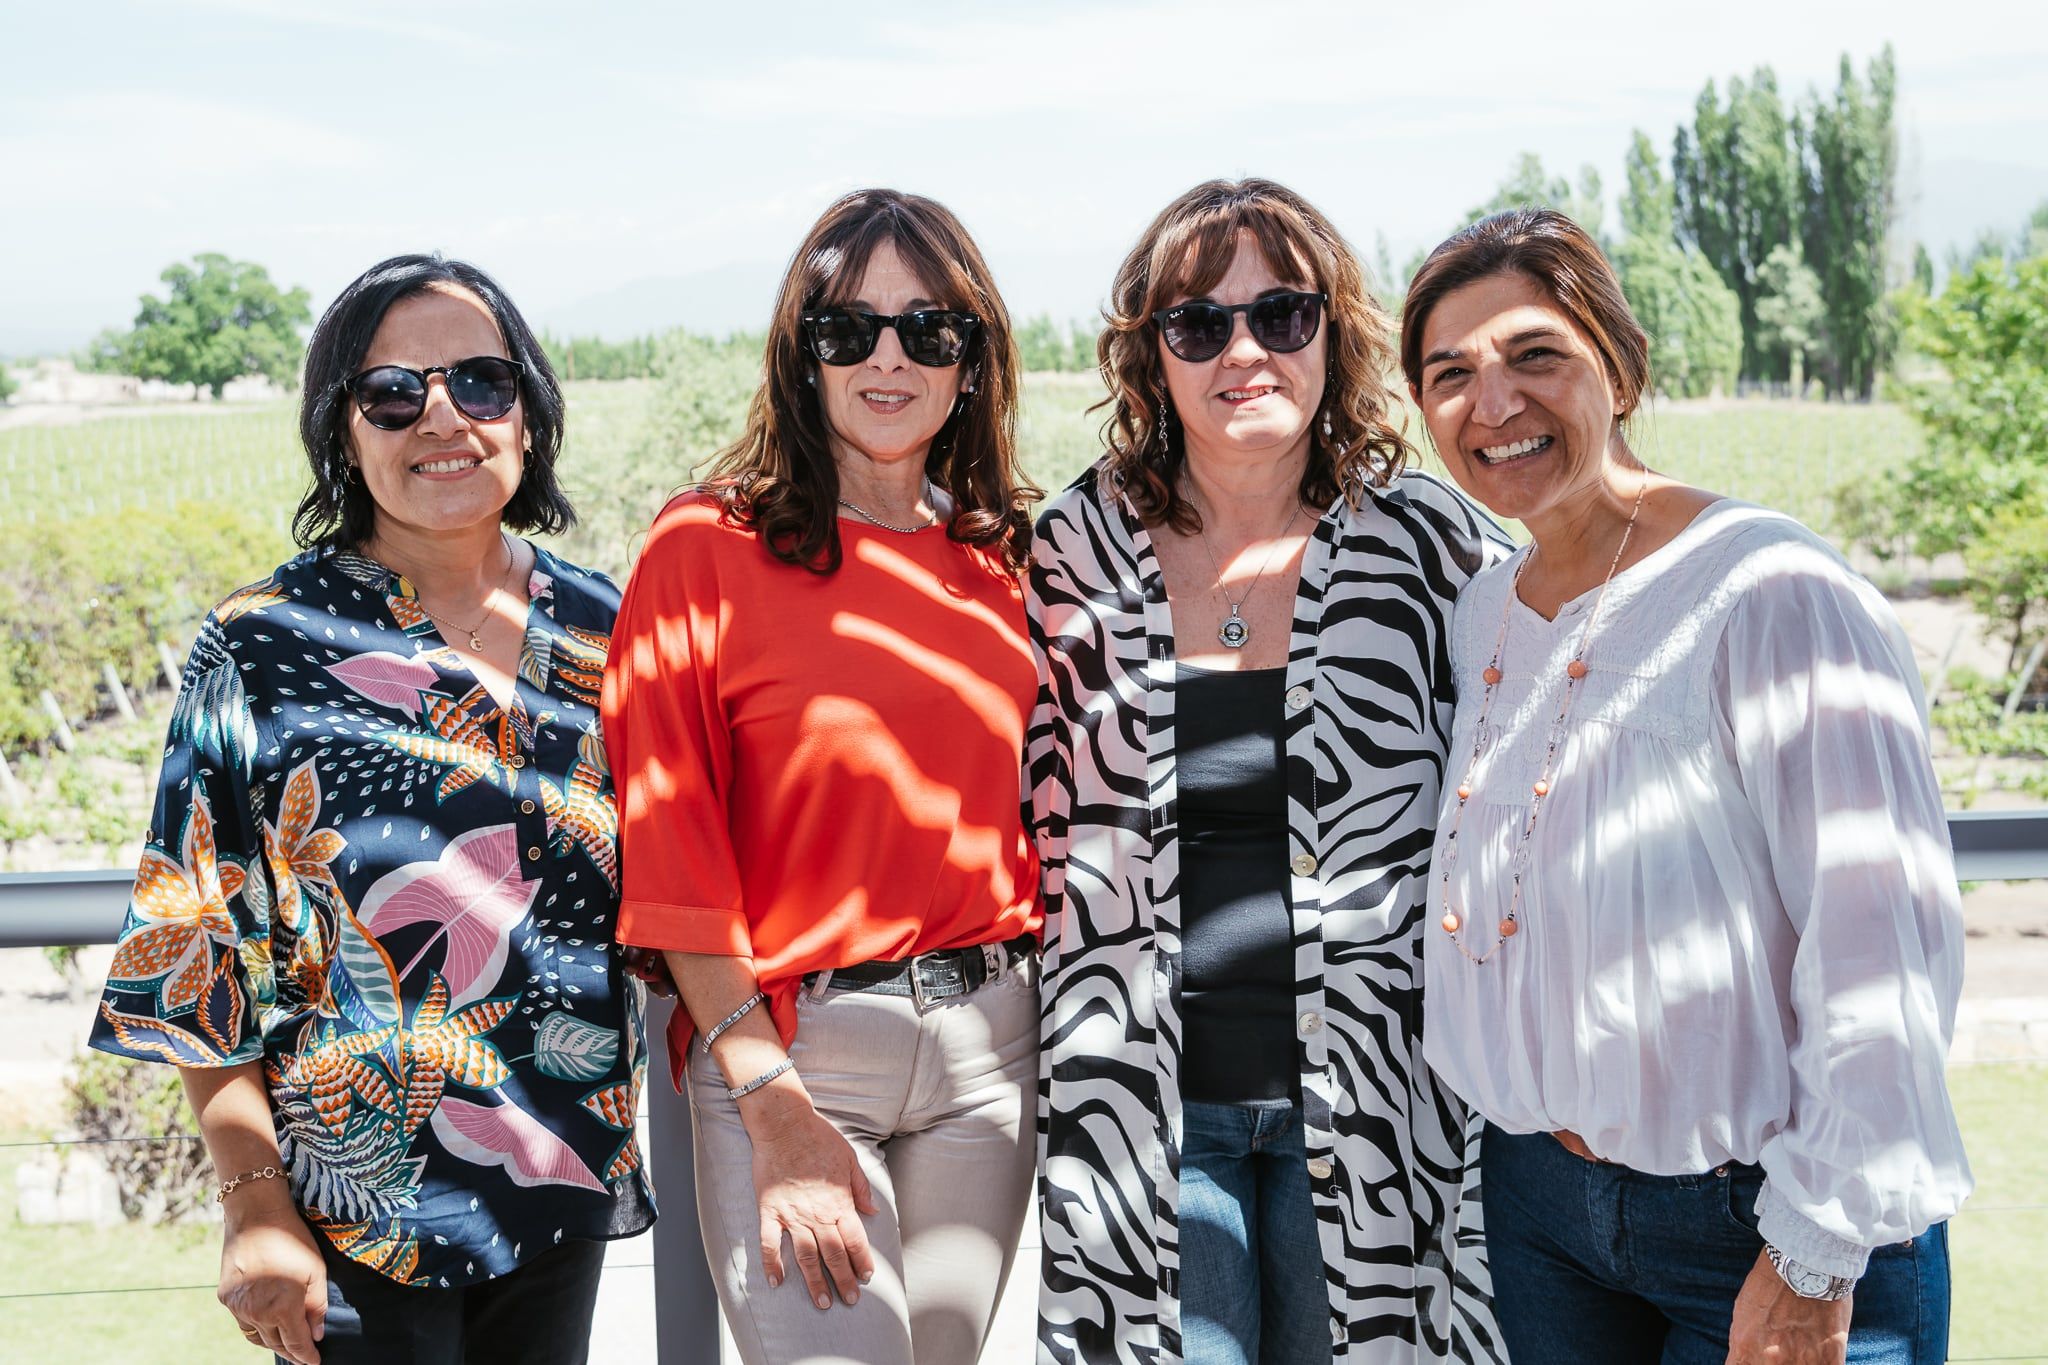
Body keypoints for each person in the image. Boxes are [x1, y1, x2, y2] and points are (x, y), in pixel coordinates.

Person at [1403, 207, 1973, 1365]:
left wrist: (1811, 1250)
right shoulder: (1482, 613)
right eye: (1448, 373)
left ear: (1619, 364)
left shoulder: (1765, 592)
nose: (1492, 403)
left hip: (1760, 1219)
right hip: (1538, 1209)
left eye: (1534, 355)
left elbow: (1881, 944)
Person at [88, 255, 654, 1365]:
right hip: (350, 1220)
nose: (440, 415)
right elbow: (195, 936)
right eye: (393, 392)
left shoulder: (606, 625)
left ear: (528, 415)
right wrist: (253, 1200)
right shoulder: (261, 645)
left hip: (557, 1181)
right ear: (342, 432)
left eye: (480, 383)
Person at [1026, 178, 1509, 1365]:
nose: (1242, 351)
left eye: (1280, 315)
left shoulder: (1432, 549)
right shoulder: (1065, 555)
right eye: (1198, 324)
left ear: (1330, 335)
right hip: (1140, 1110)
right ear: (1152, 356)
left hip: (1377, 1107)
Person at [603, 187, 1043, 1365]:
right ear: (802, 358)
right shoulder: (704, 548)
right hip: (795, 1057)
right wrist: (773, 1106)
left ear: (970, 361)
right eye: (847, 330)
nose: (886, 359)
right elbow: (670, 848)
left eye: (927, 331)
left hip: (991, 1055)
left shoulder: (1001, 562)